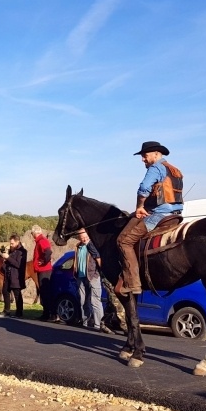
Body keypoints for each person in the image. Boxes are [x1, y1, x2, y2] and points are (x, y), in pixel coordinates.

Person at [117, 141, 184, 295]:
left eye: (144, 155)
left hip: (159, 215)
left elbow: (143, 189)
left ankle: (133, 283)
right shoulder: (175, 170)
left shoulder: (156, 168)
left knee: (124, 241)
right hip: (176, 215)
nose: (143, 159)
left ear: (156, 153)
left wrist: (139, 207)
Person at [74, 228, 111, 333]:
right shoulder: (77, 246)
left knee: (95, 301)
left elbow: (99, 259)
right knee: (83, 301)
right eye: (82, 238)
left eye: (86, 237)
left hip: (93, 276)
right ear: (79, 238)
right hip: (81, 277)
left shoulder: (93, 245)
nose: (84, 239)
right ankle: (86, 322)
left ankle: (99, 324)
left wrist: (100, 272)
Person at [31, 225, 55, 321]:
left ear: (35, 233)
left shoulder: (42, 241)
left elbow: (48, 252)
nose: (32, 235)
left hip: (44, 270)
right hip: (41, 270)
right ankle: (46, 314)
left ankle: (51, 314)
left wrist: (44, 261)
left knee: (46, 292)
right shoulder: (40, 241)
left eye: (32, 233)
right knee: (44, 292)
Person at [1, 234, 27, 317]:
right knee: (5, 291)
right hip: (8, 274)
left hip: (16, 275)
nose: (10, 245)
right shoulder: (12, 250)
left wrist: (8, 257)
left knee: (17, 294)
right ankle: (6, 310)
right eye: (10, 243)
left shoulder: (22, 252)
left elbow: (18, 264)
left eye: (12, 243)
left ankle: (19, 312)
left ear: (17, 242)